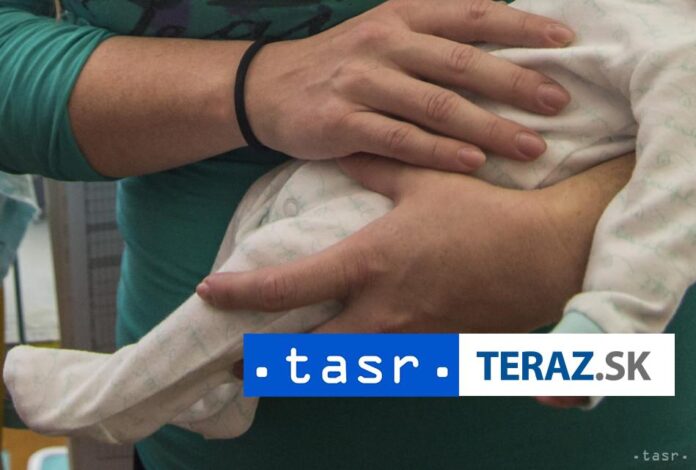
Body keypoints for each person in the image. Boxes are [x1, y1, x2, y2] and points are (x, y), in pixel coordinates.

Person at [0, 1, 692, 470]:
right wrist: (249, 86)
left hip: (616, 422)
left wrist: (572, 238)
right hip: (223, 420)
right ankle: (183, 391)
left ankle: (128, 392)